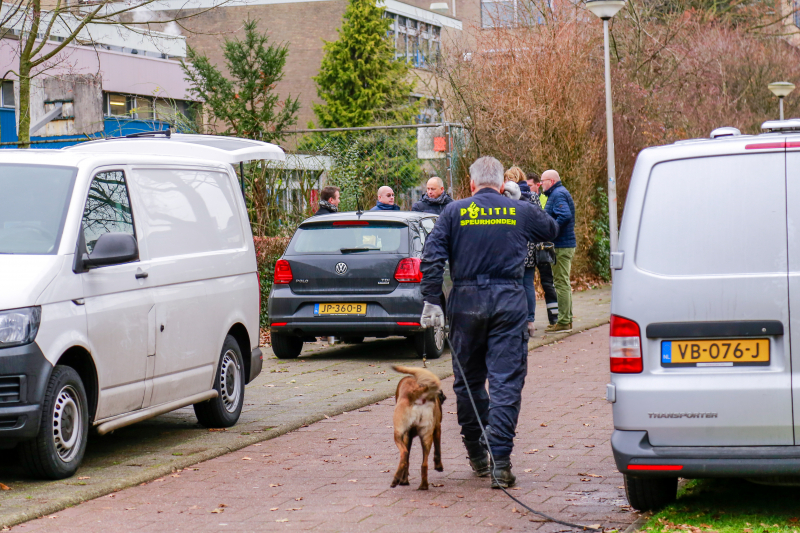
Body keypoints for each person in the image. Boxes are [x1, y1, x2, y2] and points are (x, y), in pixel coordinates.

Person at [419, 156, 558, 489]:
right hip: (508, 301)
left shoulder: (453, 212)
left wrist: (431, 300)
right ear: (500, 184)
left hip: (466, 302)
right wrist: (522, 198)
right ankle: (501, 462)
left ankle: (477, 453)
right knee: (505, 380)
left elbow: (432, 255)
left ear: (470, 184)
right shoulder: (519, 209)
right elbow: (552, 229)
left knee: (467, 381)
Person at [541, 169, 576, 334]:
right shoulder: (558, 193)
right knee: (564, 283)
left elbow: (565, 215)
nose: (541, 184)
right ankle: (566, 319)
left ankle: (563, 321)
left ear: (551, 181)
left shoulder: (558, 195)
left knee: (561, 283)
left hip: (562, 245)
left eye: (543, 181)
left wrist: (551, 230)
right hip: (564, 243)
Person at [527, 172, 559, 326]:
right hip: (530, 248)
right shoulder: (524, 199)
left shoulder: (546, 198)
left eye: (529, 186)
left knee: (547, 282)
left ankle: (554, 317)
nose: (526, 189)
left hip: (542, 247)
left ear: (537, 185)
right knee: (528, 282)